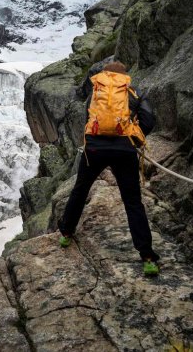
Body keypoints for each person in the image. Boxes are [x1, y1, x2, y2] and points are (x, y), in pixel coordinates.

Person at [57, 60, 160, 276]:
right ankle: (147, 256)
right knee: (133, 202)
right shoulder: (132, 91)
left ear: (105, 75)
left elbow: (88, 119)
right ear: (124, 75)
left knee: (80, 190)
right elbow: (149, 120)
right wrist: (135, 137)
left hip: (94, 150)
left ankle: (66, 233)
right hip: (124, 150)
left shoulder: (97, 91)